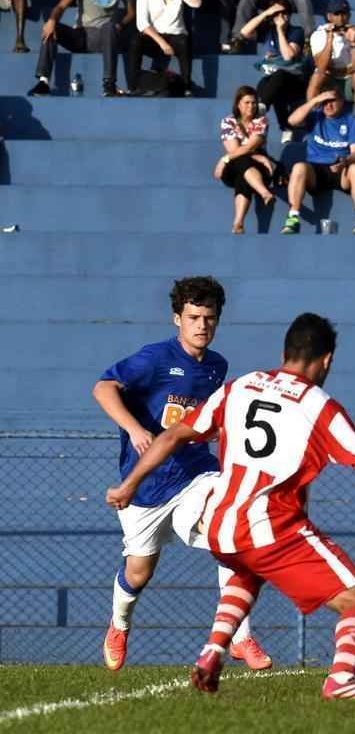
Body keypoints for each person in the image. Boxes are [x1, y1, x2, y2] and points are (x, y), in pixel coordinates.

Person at [105, 312, 355, 700]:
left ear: (284, 353)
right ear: (327, 360)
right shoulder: (318, 405)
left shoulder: (241, 386)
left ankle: (213, 651)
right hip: (271, 525)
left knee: (246, 570)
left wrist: (129, 484)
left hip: (220, 521)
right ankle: (340, 680)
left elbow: (172, 436)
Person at [92, 276, 273, 673]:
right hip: (147, 486)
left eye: (209, 318)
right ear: (177, 318)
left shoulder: (217, 366)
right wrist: (134, 429)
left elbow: (203, 419)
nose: (201, 325)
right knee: (139, 571)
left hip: (196, 473)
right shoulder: (155, 358)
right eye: (193, 317)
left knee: (231, 531)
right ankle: (119, 625)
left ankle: (240, 635)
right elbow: (103, 388)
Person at [28, 0, 131, 98]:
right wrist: (52, 21)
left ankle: (109, 85)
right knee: (51, 27)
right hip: (81, 36)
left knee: (109, 27)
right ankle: (43, 82)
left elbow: (132, 12)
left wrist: (120, 24)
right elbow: (61, 6)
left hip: (105, 37)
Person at [282, 85, 355, 235]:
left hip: (341, 169)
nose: (328, 105)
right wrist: (315, 100)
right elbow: (292, 121)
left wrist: (345, 161)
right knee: (299, 167)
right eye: (325, 102)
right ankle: (293, 219)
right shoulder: (315, 116)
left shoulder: (352, 121)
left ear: (342, 101)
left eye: (332, 101)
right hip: (315, 171)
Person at [128, 0, 199, 96]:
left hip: (176, 36)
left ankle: (186, 86)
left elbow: (196, 3)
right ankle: (133, 85)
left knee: (184, 41)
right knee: (135, 40)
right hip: (154, 37)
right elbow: (142, 23)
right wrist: (162, 43)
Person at [217, 86, 279, 234]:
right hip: (233, 167)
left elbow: (251, 145)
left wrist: (224, 159)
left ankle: (238, 222)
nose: (251, 106)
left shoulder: (261, 121)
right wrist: (258, 157)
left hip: (256, 169)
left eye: (254, 102)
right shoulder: (228, 121)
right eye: (247, 102)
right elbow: (234, 150)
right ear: (238, 104)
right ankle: (264, 193)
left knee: (242, 177)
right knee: (240, 162)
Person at [245, 2, 307, 143]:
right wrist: (265, 13)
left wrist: (280, 30)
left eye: (284, 13)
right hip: (276, 81)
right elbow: (244, 32)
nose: (281, 17)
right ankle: (285, 127)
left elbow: (288, 56)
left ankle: (261, 109)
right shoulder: (268, 32)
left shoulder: (297, 31)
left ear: (289, 15)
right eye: (277, 14)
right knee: (264, 83)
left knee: (279, 76)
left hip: (296, 81)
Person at [308, 0, 355, 125]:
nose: (341, 18)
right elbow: (321, 67)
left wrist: (354, 43)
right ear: (329, 16)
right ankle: (313, 123)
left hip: (349, 82)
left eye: (344, 14)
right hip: (330, 82)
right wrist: (329, 39)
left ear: (349, 15)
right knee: (317, 76)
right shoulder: (319, 35)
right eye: (337, 14)